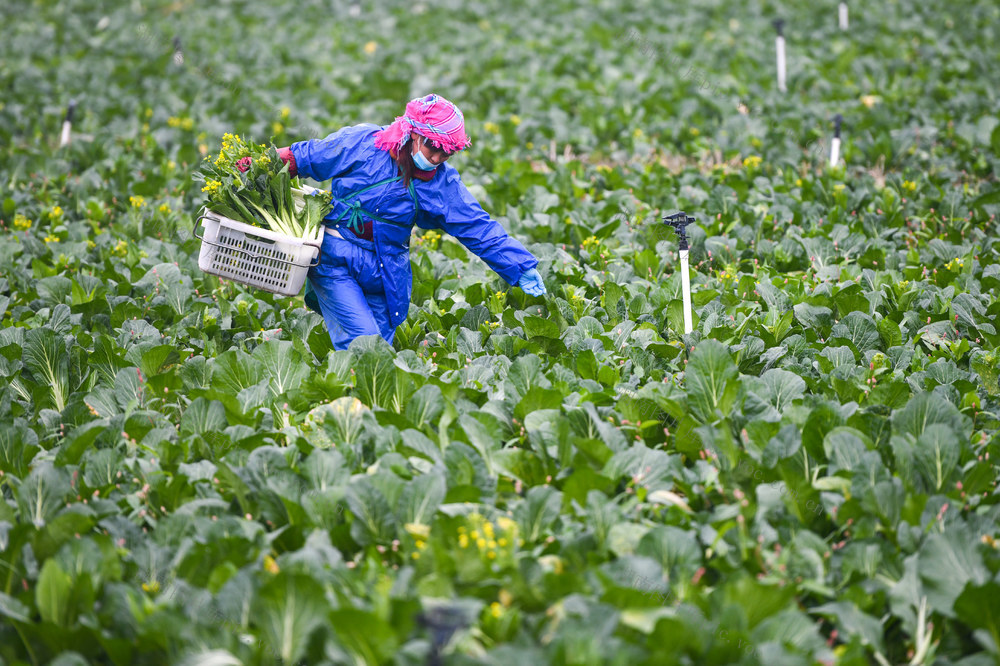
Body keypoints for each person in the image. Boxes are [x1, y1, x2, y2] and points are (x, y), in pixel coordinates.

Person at [272, 93, 547, 350]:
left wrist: (519, 265)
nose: (437, 158)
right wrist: (261, 165)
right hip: (334, 258)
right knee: (364, 345)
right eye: (433, 148)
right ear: (412, 133)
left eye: (446, 153)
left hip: (385, 272)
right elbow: (306, 156)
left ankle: (359, 400)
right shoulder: (365, 143)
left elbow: (477, 227)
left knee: (378, 354)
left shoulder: (441, 183)